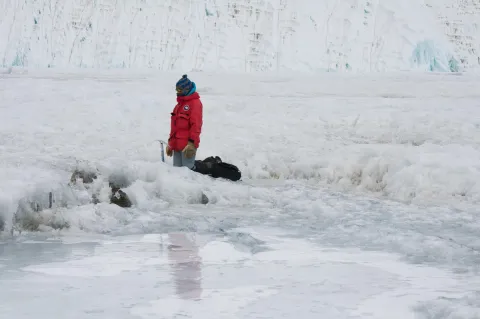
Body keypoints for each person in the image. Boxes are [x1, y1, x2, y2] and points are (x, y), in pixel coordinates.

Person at [166, 74, 203, 170]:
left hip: (187, 146)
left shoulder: (195, 104)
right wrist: (171, 144)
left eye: (179, 90)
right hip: (177, 145)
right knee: (176, 172)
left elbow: (196, 126)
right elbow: (175, 127)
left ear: (186, 90)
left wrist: (192, 144)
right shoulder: (179, 105)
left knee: (187, 173)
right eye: (176, 90)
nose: (177, 93)